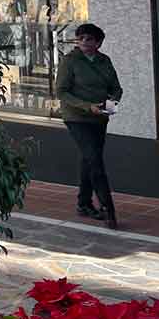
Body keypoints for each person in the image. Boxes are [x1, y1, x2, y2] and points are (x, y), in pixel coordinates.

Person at [57, 22, 122, 228]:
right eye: (81, 38)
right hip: (76, 117)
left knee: (90, 158)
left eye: (89, 39)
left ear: (99, 42)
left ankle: (84, 203)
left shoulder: (104, 61)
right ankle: (108, 208)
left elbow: (116, 88)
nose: (84, 42)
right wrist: (86, 106)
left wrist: (110, 106)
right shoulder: (70, 61)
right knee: (95, 161)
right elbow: (62, 91)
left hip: (100, 117)